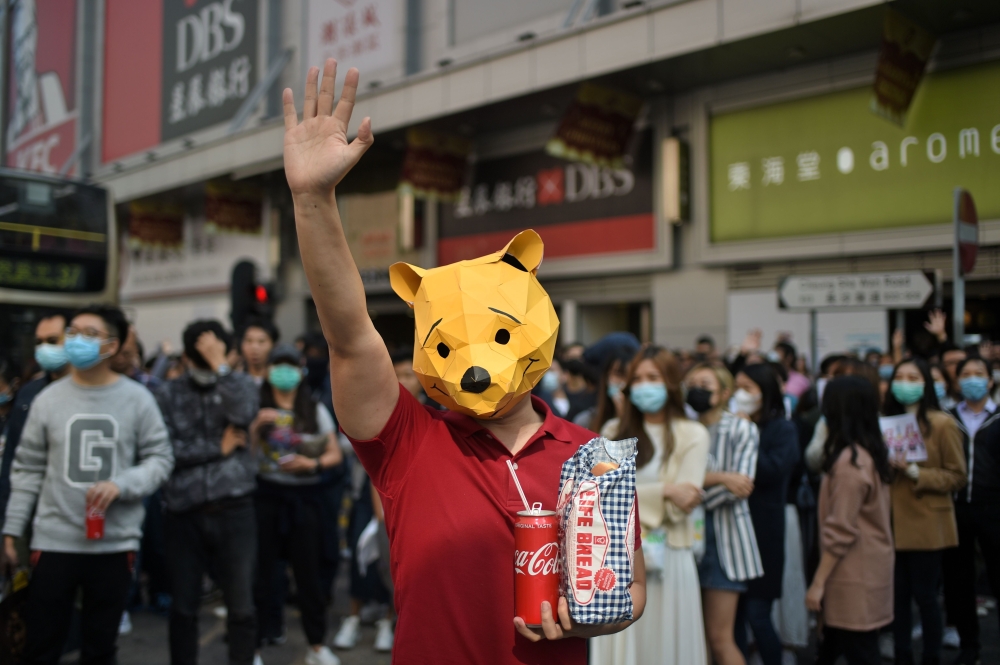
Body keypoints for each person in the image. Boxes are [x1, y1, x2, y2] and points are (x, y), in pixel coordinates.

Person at [282, 59, 644, 664]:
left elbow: (628, 588)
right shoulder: (406, 443)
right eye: (448, 347)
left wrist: (600, 619)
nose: (476, 368)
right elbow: (349, 336)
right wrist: (314, 200)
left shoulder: (593, 456)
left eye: (500, 338)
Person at [1, 304, 174, 665]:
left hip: (114, 543)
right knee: (41, 644)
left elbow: (160, 459)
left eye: (89, 334)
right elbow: (27, 468)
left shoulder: (137, 398)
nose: (76, 341)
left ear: (112, 346)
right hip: (53, 542)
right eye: (73, 333)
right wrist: (13, 529)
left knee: (99, 647)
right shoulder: (47, 399)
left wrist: (122, 484)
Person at [591, 346, 709, 665]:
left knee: (667, 647)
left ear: (670, 382)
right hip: (619, 557)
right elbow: (601, 497)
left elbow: (680, 507)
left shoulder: (692, 434)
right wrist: (666, 490)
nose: (644, 385)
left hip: (672, 555)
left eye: (653, 377)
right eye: (638, 378)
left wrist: (638, 494)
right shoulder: (613, 432)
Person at [154, 320, 260, 665]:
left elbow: (244, 413)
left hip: (235, 508)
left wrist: (221, 367)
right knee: (184, 607)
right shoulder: (166, 393)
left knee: (241, 605)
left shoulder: (239, 383)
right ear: (186, 356)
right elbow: (168, 451)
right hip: (184, 512)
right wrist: (219, 447)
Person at [251, 344, 343, 665]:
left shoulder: (313, 408)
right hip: (265, 497)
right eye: (278, 365)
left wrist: (311, 465)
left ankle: (316, 645)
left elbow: (335, 453)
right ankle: (255, 647)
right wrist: (254, 430)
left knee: (309, 575)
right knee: (261, 576)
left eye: (290, 366)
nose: (284, 372)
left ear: (301, 370)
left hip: (305, 499)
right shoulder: (257, 406)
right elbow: (243, 459)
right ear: (268, 371)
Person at [881, 358, 966, 665]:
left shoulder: (942, 423)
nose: (905, 383)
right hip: (892, 521)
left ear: (926, 383)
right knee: (898, 597)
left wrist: (917, 473)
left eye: (913, 377)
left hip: (929, 522)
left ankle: (931, 656)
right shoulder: (884, 422)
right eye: (899, 377)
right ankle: (903, 654)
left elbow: (957, 475)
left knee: (926, 596)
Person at [807, 376, 894, 665]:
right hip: (866, 569)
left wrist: (818, 583)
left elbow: (840, 529)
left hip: (853, 575)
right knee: (838, 648)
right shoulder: (869, 451)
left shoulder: (850, 463)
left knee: (860, 651)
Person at [686, 363, 762, 665]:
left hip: (725, 542)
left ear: (724, 392)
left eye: (705, 384)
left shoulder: (741, 428)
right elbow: (678, 480)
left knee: (720, 638)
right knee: (696, 637)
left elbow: (740, 486)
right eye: (692, 384)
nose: (696, 390)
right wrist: (720, 477)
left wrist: (692, 491)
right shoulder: (686, 429)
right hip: (686, 539)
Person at [732, 363, 799, 665]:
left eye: (748, 389)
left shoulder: (782, 428)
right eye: (737, 388)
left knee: (759, 615)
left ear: (766, 392)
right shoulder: (731, 425)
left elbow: (772, 471)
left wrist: (746, 436)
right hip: (733, 531)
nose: (740, 395)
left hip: (764, 532)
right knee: (733, 617)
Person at [943, 356, 1000, 665]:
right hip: (956, 508)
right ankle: (969, 647)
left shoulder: (999, 416)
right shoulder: (947, 417)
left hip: (994, 508)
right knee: (958, 581)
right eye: (966, 374)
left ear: (990, 381)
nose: (972, 379)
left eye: (979, 374)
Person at [0, 312, 70, 526]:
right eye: (39, 342)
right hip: (30, 510)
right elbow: (14, 457)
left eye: (52, 341)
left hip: (68, 510)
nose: (44, 349)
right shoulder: (29, 393)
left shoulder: (87, 392)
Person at [241, 317, 279, 386]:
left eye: (261, 341)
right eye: (249, 340)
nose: (254, 347)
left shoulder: (279, 383)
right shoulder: (236, 382)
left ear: (274, 345)